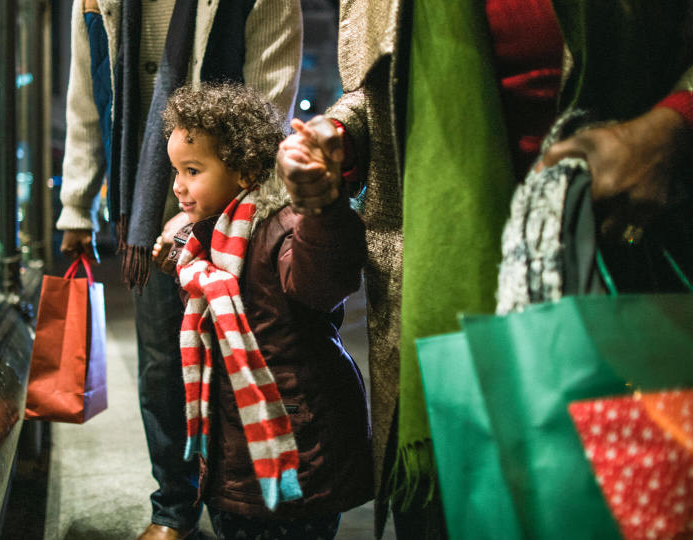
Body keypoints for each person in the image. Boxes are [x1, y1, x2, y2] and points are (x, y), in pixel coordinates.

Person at [277, 1, 693, 538]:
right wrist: (337, 132)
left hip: (629, 262)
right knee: (452, 513)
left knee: (626, 509)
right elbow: (383, 93)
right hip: (442, 299)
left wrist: (674, 126)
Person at [57, 2, 302, 539]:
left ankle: (243, 508)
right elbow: (87, 99)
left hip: (234, 207)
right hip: (147, 208)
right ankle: (173, 507)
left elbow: (271, 101)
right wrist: (77, 202)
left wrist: (238, 208)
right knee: (164, 369)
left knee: (244, 360)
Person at [156, 82, 373, 540]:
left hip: (296, 445)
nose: (178, 185)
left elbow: (322, 280)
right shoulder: (204, 240)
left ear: (243, 169)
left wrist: (322, 207)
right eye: (175, 169)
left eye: (192, 170)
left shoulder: (285, 225)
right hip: (231, 453)